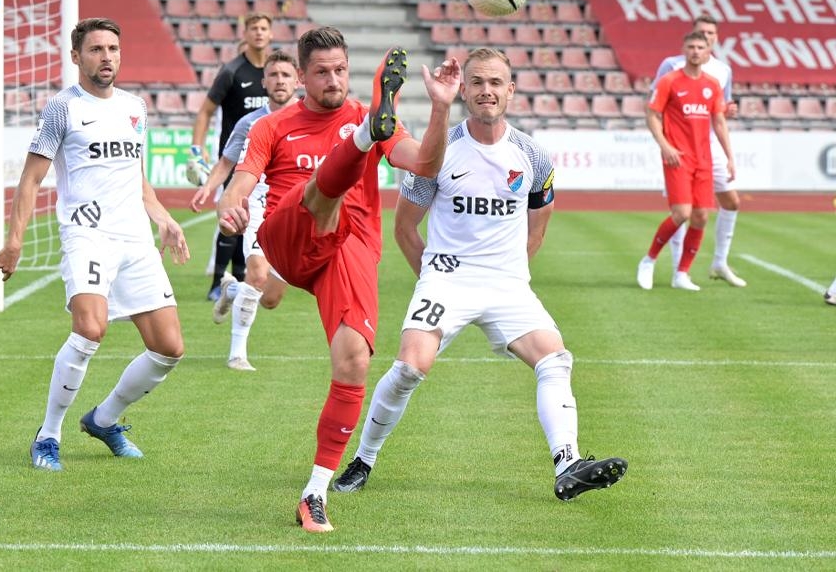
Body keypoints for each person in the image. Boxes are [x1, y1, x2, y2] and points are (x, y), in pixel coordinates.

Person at [332, 47, 628, 503]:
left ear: (510, 90)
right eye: (477, 83)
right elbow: (405, 228)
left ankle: (567, 464)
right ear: (464, 91)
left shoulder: (533, 155)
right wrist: (433, 278)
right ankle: (363, 460)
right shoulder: (439, 152)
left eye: (495, 83)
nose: (486, 91)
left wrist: (512, 274)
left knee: (555, 359)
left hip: (506, 285)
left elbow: (538, 226)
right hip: (446, 280)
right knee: (410, 367)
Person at [217, 28, 460, 533]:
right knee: (318, 194)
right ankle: (359, 143)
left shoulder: (373, 114)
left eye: (341, 70)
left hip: (350, 246)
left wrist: (441, 108)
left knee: (354, 361)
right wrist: (230, 205)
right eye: (322, 72)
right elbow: (241, 183)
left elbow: (425, 163)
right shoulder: (273, 126)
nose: (333, 80)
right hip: (289, 233)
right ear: (300, 78)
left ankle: (314, 493)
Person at [0, 18, 191, 472]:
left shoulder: (135, 107)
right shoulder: (62, 108)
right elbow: (31, 178)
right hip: (88, 235)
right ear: (76, 56)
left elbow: (138, 179)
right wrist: (15, 241)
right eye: (97, 49)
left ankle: (103, 420)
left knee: (169, 348)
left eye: (113, 49)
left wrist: (163, 218)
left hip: (135, 239)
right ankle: (48, 435)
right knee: (90, 330)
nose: (106, 57)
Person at [190, 50, 300, 371]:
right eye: (273, 75)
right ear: (263, 82)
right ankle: (237, 354)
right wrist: (208, 188)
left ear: (298, 81)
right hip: (257, 205)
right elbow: (226, 163)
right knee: (257, 274)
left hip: (293, 210)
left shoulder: (310, 119)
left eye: (286, 75)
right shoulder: (249, 122)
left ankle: (232, 289)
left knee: (271, 298)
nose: (279, 81)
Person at [651, 15, 746, 288]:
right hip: (680, 145)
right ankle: (678, 271)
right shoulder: (671, 66)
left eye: (710, 33)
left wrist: (728, 111)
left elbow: (720, 110)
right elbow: (656, 102)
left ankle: (719, 262)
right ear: (691, 35)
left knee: (731, 201)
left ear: (715, 38)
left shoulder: (723, 70)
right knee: (683, 209)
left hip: (709, 145)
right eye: (701, 32)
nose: (705, 37)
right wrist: (665, 143)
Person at [188, 12, 274, 301]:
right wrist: (196, 148)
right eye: (254, 28)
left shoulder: (275, 73)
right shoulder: (232, 71)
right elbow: (205, 111)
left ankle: (237, 278)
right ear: (245, 33)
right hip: (235, 158)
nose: (259, 33)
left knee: (251, 220)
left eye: (263, 28)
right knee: (232, 217)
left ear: (271, 34)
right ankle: (217, 283)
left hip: (268, 159)